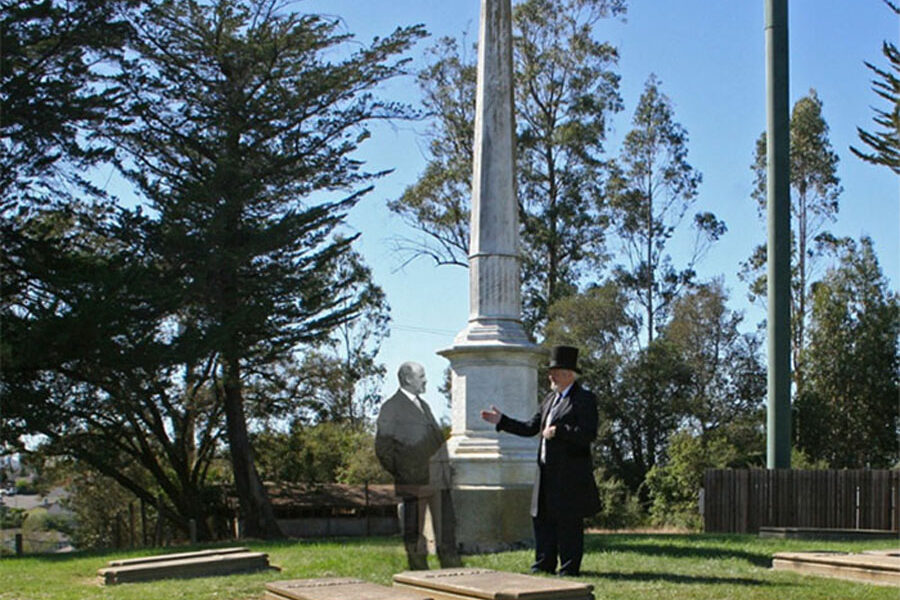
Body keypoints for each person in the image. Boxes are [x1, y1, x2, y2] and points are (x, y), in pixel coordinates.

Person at [480, 345, 600, 576]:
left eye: (554, 371)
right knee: (542, 519)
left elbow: (588, 434)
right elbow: (530, 428)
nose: (550, 376)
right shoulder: (549, 400)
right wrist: (502, 420)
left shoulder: (584, 399)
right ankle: (543, 564)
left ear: (568, 374)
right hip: (545, 472)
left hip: (569, 474)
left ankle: (568, 568)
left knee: (567, 522)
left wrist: (560, 431)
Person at [375, 361, 461, 570]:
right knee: (414, 533)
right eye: (421, 376)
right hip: (413, 483)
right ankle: (419, 577)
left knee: (446, 533)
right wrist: (405, 473)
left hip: (438, 482)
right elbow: (383, 448)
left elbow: (435, 441)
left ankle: (452, 575)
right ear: (407, 379)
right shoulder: (391, 408)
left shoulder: (424, 406)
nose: (425, 380)